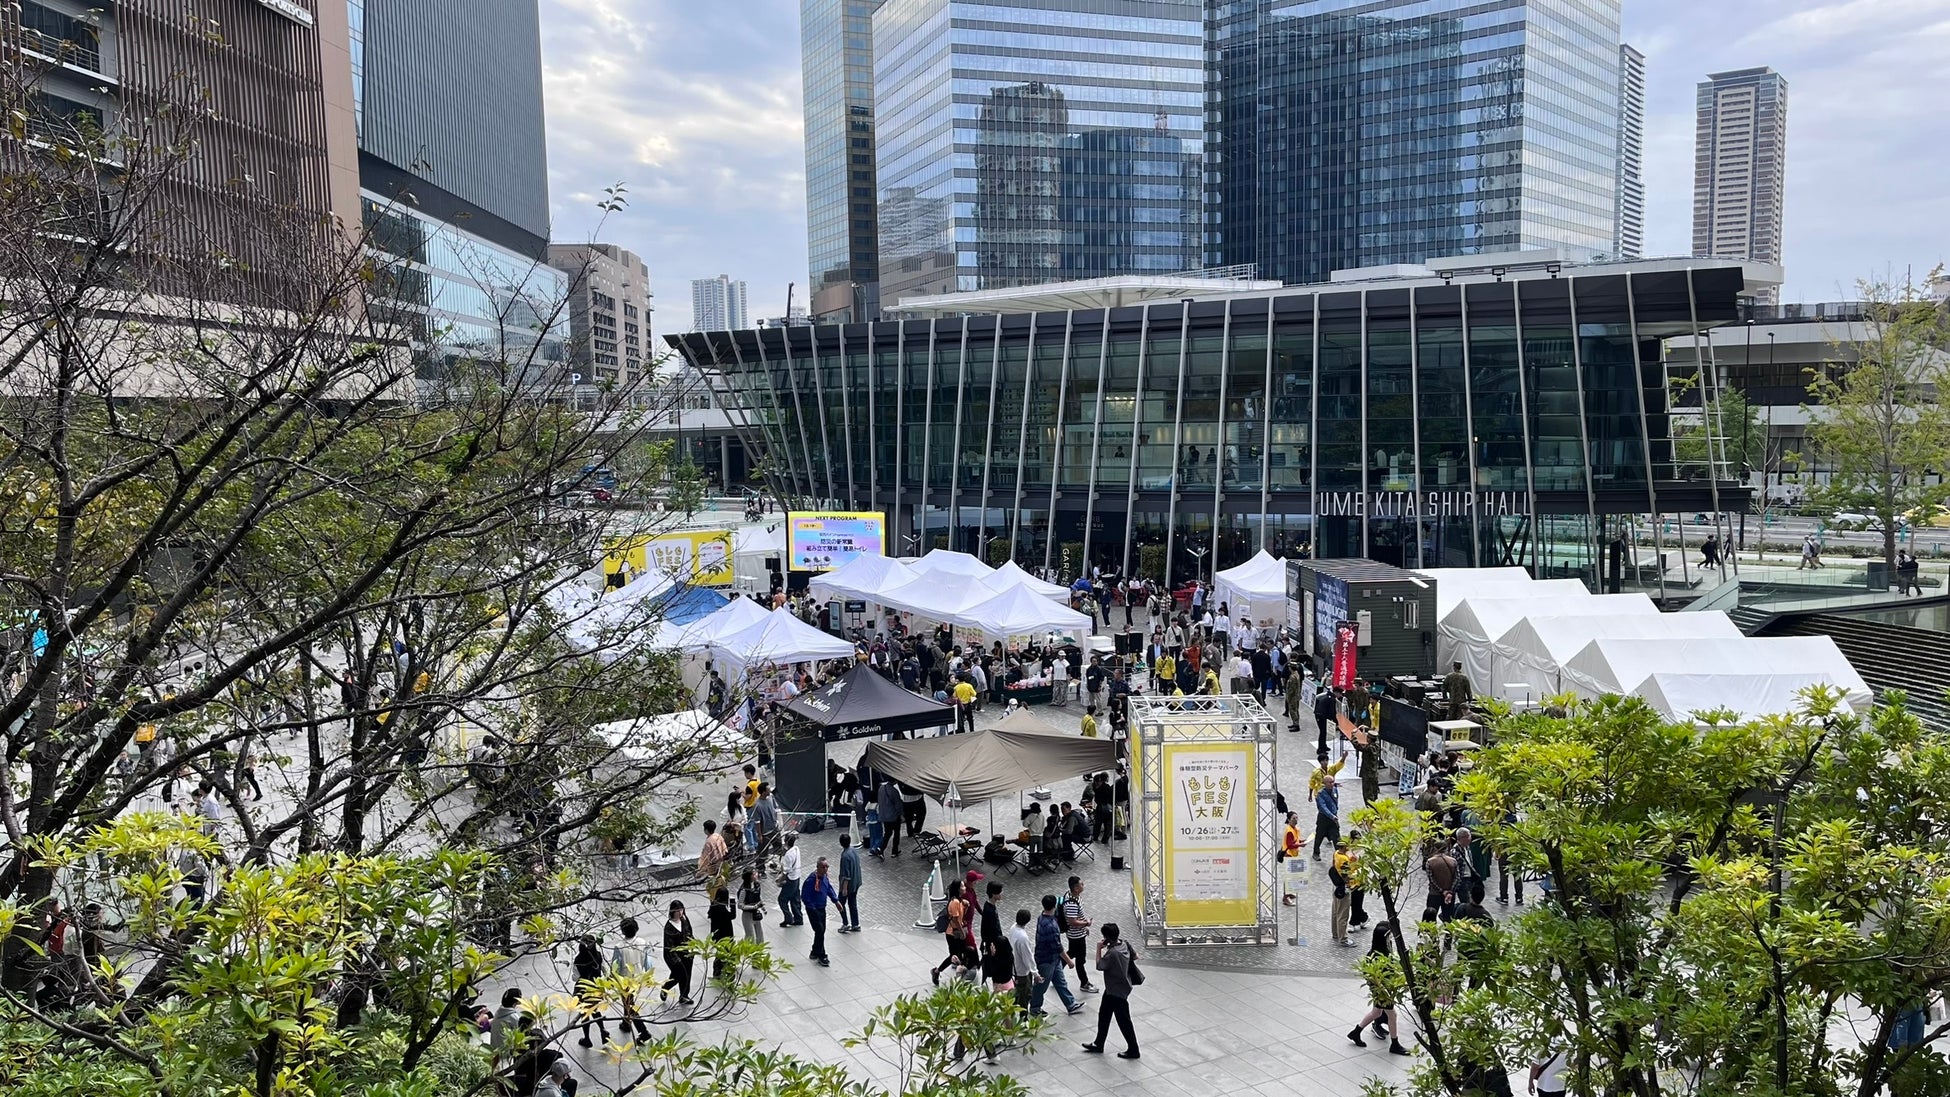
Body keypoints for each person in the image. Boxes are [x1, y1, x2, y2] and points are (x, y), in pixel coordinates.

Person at [1348, 921, 1412, 1055]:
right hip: (1383, 991)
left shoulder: (1373, 953)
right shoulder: (1380, 956)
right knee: (1392, 1015)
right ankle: (1394, 1044)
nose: (1390, 938)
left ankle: (1356, 1032)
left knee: (1376, 1013)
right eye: (1388, 936)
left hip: (1380, 990)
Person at [1079, 923, 1141, 1060]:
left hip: (1115, 991)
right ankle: (1099, 1043)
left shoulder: (1113, 953)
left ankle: (1133, 1049)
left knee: (1123, 1021)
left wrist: (1098, 949)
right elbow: (1136, 956)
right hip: (1118, 988)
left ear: (1107, 937)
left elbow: (1099, 965)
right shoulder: (1124, 944)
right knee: (1104, 1014)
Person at [1032, 894, 1084, 1016]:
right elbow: (1057, 947)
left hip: (1052, 959)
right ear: (1054, 906)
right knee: (1041, 985)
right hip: (1047, 960)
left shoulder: (1042, 917)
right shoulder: (1050, 925)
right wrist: (1069, 961)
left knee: (1060, 982)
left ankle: (1071, 1004)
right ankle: (1035, 1008)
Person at [610, 917, 650, 1040]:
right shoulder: (643, 942)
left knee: (629, 1004)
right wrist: (648, 976)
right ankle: (626, 1023)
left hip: (625, 980)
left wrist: (612, 978)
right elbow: (647, 961)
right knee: (628, 1001)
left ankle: (643, 1032)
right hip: (638, 977)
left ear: (622, 931)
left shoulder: (619, 947)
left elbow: (616, 965)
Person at [801, 856, 838, 967]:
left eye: (827, 866)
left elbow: (828, 888)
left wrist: (836, 901)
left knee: (821, 931)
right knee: (820, 930)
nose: (826, 869)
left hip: (822, 908)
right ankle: (822, 955)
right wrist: (812, 907)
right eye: (823, 867)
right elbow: (805, 896)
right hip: (814, 909)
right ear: (818, 867)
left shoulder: (825, 877)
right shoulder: (811, 880)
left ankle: (815, 951)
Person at [931, 880, 968, 984]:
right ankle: (937, 971)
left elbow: (961, 916)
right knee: (954, 956)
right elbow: (956, 920)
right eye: (962, 886)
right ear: (958, 889)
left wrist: (966, 905)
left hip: (956, 932)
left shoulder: (959, 901)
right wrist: (962, 932)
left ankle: (958, 974)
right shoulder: (955, 902)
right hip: (953, 933)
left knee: (959, 954)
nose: (964, 888)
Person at [1062, 876, 1096, 992]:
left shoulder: (1073, 896)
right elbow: (1073, 922)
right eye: (1081, 884)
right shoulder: (1071, 903)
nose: (1083, 885)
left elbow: (1077, 916)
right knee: (1080, 960)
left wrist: (1084, 926)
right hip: (1076, 936)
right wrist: (1086, 923)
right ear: (1076, 888)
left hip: (1077, 933)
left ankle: (1055, 973)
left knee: (1071, 953)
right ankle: (1084, 983)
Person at [659, 900, 696, 1006]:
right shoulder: (669, 927)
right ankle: (665, 988)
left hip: (686, 953)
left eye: (681, 910)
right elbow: (669, 946)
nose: (680, 913)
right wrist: (677, 960)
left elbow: (690, 933)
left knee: (687, 975)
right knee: (678, 975)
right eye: (677, 911)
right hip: (673, 956)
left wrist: (693, 946)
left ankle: (684, 995)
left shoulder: (684, 920)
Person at [1006, 908, 1038, 1016]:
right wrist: (1035, 973)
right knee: (1025, 995)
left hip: (1015, 967)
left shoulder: (1013, 928)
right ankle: (1023, 1018)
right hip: (1022, 971)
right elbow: (1027, 957)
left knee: (1018, 993)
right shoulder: (1023, 938)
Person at [1328, 837, 1355, 946]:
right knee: (1343, 914)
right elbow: (1346, 875)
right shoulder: (1344, 859)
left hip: (1335, 886)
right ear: (1344, 847)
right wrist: (1354, 877)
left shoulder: (1336, 854)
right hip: (1343, 888)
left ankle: (1335, 933)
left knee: (1335, 911)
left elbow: (1333, 866)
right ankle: (1343, 938)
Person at [707, 886, 737, 981]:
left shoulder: (714, 905)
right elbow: (732, 916)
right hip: (725, 934)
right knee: (726, 954)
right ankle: (725, 973)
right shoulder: (721, 908)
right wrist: (732, 903)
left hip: (717, 934)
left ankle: (717, 972)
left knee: (720, 953)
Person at [836, 833, 864, 933]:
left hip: (849, 885)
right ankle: (855, 924)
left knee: (840, 903)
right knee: (852, 904)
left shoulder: (845, 856)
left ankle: (845, 923)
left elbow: (846, 875)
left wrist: (844, 889)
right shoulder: (854, 851)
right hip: (856, 882)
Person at [777, 833, 804, 927]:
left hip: (791, 879)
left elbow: (786, 871)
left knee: (782, 899)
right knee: (795, 898)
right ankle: (798, 918)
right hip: (797, 877)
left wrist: (779, 880)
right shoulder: (796, 849)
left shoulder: (788, 855)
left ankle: (788, 918)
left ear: (785, 842)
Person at [1313, 771, 1340, 860]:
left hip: (1334, 818)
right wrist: (1332, 816)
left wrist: (1335, 811)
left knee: (1337, 837)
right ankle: (1316, 852)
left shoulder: (1335, 790)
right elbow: (1323, 807)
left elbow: (1336, 801)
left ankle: (1339, 855)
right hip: (1324, 818)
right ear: (1324, 783)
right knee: (1319, 836)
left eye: (1333, 781)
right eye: (1330, 782)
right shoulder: (1320, 794)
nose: (1332, 784)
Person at [737, 867, 767, 943]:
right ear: (749, 877)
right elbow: (740, 905)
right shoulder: (744, 890)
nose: (756, 875)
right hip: (747, 915)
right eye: (754, 874)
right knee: (750, 937)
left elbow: (758, 897)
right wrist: (754, 907)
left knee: (760, 936)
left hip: (755, 914)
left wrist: (762, 907)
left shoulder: (757, 885)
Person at [696, 819, 729, 887]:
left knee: (714, 880)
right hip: (721, 861)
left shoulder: (708, 842)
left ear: (706, 830)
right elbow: (724, 848)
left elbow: (705, 857)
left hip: (713, 864)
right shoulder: (718, 836)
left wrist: (701, 869)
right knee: (720, 877)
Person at [1280, 813, 1303, 905]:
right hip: (1289, 855)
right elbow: (1289, 845)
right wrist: (1300, 845)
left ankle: (1288, 893)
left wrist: (1301, 841)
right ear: (1289, 820)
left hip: (1293, 855)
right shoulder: (1289, 830)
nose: (1295, 820)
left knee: (1291, 876)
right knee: (1288, 876)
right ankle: (1286, 897)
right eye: (1293, 818)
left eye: (1297, 818)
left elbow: (1295, 840)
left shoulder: (1295, 829)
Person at [1313, 686, 1337, 760]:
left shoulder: (1328, 695)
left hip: (1321, 715)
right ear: (1336, 693)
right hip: (1320, 716)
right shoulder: (1332, 699)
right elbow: (1332, 711)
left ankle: (1324, 746)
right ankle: (1320, 749)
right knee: (1322, 732)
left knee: (1324, 732)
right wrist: (1336, 721)